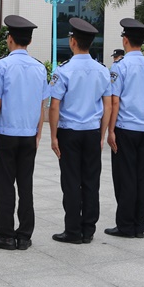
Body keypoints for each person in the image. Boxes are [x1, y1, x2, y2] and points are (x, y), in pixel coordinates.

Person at [0, 16, 49, 251]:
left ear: (10, 39)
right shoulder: (40, 68)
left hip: (5, 133)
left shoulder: (1, 66)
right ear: (29, 41)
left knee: (4, 185)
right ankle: (24, 236)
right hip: (29, 134)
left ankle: (6, 235)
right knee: (26, 185)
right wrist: (39, 133)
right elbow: (42, 104)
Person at [49, 17, 112, 244]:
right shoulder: (102, 71)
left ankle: (73, 230)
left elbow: (54, 105)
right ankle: (89, 230)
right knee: (91, 182)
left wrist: (53, 135)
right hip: (92, 132)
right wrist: (102, 133)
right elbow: (108, 105)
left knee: (71, 182)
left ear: (73, 42)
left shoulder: (63, 71)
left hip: (70, 132)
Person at [104, 19, 144, 239]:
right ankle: (139, 223)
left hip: (125, 128)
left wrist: (111, 130)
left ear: (125, 40)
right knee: (141, 177)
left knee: (125, 177)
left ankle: (126, 224)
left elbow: (115, 101)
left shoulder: (120, 66)